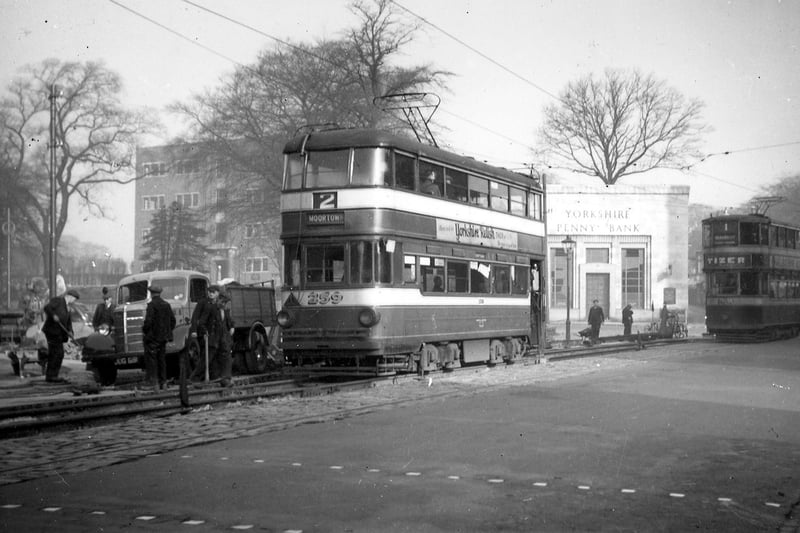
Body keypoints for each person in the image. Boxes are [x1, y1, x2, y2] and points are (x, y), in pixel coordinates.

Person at [190, 284, 235, 387]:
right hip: (212, 337)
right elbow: (201, 322)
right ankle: (195, 378)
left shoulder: (224, 310)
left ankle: (225, 378)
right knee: (207, 359)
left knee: (226, 357)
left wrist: (232, 327)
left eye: (225, 302)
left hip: (222, 337)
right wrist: (205, 332)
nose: (224, 304)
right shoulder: (210, 307)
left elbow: (227, 320)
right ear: (218, 299)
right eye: (222, 301)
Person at [41, 288, 80, 383]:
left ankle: (53, 375)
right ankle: (51, 375)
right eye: (74, 299)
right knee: (56, 353)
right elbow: (47, 308)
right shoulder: (58, 301)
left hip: (59, 334)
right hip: (52, 331)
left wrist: (70, 331)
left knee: (58, 354)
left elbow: (68, 322)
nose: (74, 301)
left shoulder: (68, 307)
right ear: (70, 296)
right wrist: (53, 315)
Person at [142, 285, 176, 391]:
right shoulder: (166, 305)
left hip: (152, 338)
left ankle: (154, 383)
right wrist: (167, 332)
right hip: (163, 338)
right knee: (162, 360)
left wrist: (145, 330)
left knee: (152, 361)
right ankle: (163, 383)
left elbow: (148, 322)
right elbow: (173, 321)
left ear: (151, 294)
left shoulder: (152, 305)